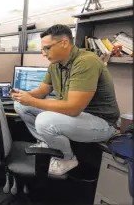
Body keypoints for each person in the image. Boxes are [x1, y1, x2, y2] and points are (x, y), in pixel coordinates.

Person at [11, 24, 119, 176]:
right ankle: (48, 143)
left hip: (102, 122)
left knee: (44, 120)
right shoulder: (55, 64)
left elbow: (73, 108)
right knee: (20, 106)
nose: (43, 53)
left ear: (64, 42)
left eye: (47, 48)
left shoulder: (86, 61)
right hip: (76, 117)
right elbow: (42, 91)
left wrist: (32, 101)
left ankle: (68, 158)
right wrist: (24, 96)